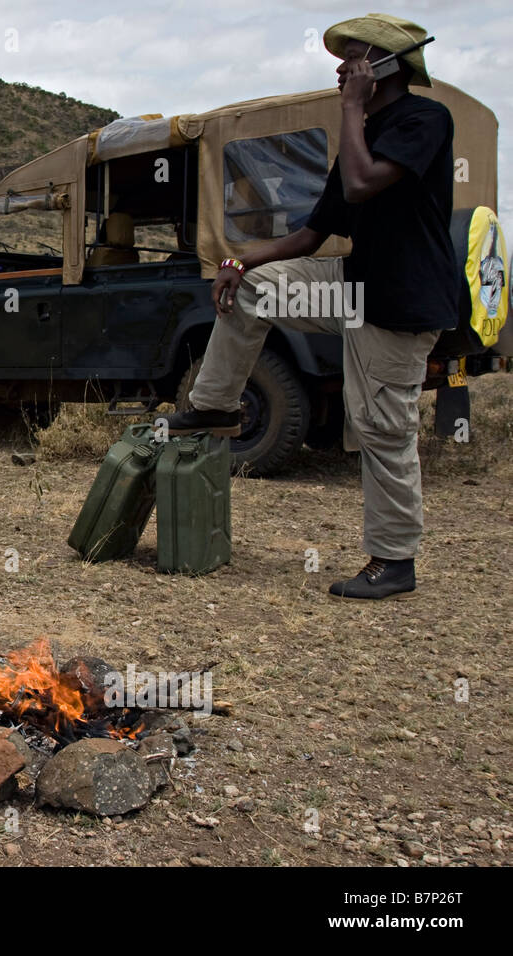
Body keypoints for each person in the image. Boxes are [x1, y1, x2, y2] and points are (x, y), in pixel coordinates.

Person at [163, 13, 457, 600]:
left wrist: (351, 109)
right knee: (252, 289)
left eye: (353, 59)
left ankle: (394, 560)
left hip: (398, 303)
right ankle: (215, 407)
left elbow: (361, 185)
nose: (342, 69)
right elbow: (310, 236)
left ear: (384, 66)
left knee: (381, 427)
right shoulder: (363, 135)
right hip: (352, 287)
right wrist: (239, 262)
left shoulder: (424, 119)